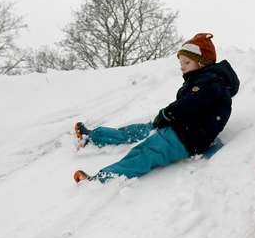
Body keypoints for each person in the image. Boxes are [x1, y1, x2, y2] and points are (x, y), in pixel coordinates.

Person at [73, 33, 240, 182]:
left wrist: (167, 114)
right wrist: (165, 118)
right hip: (178, 128)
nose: (182, 66)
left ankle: (103, 178)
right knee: (137, 130)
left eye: (187, 62)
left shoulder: (212, 82)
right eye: (181, 62)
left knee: (146, 152)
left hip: (185, 139)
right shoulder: (203, 80)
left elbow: (189, 104)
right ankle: (93, 137)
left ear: (202, 63)